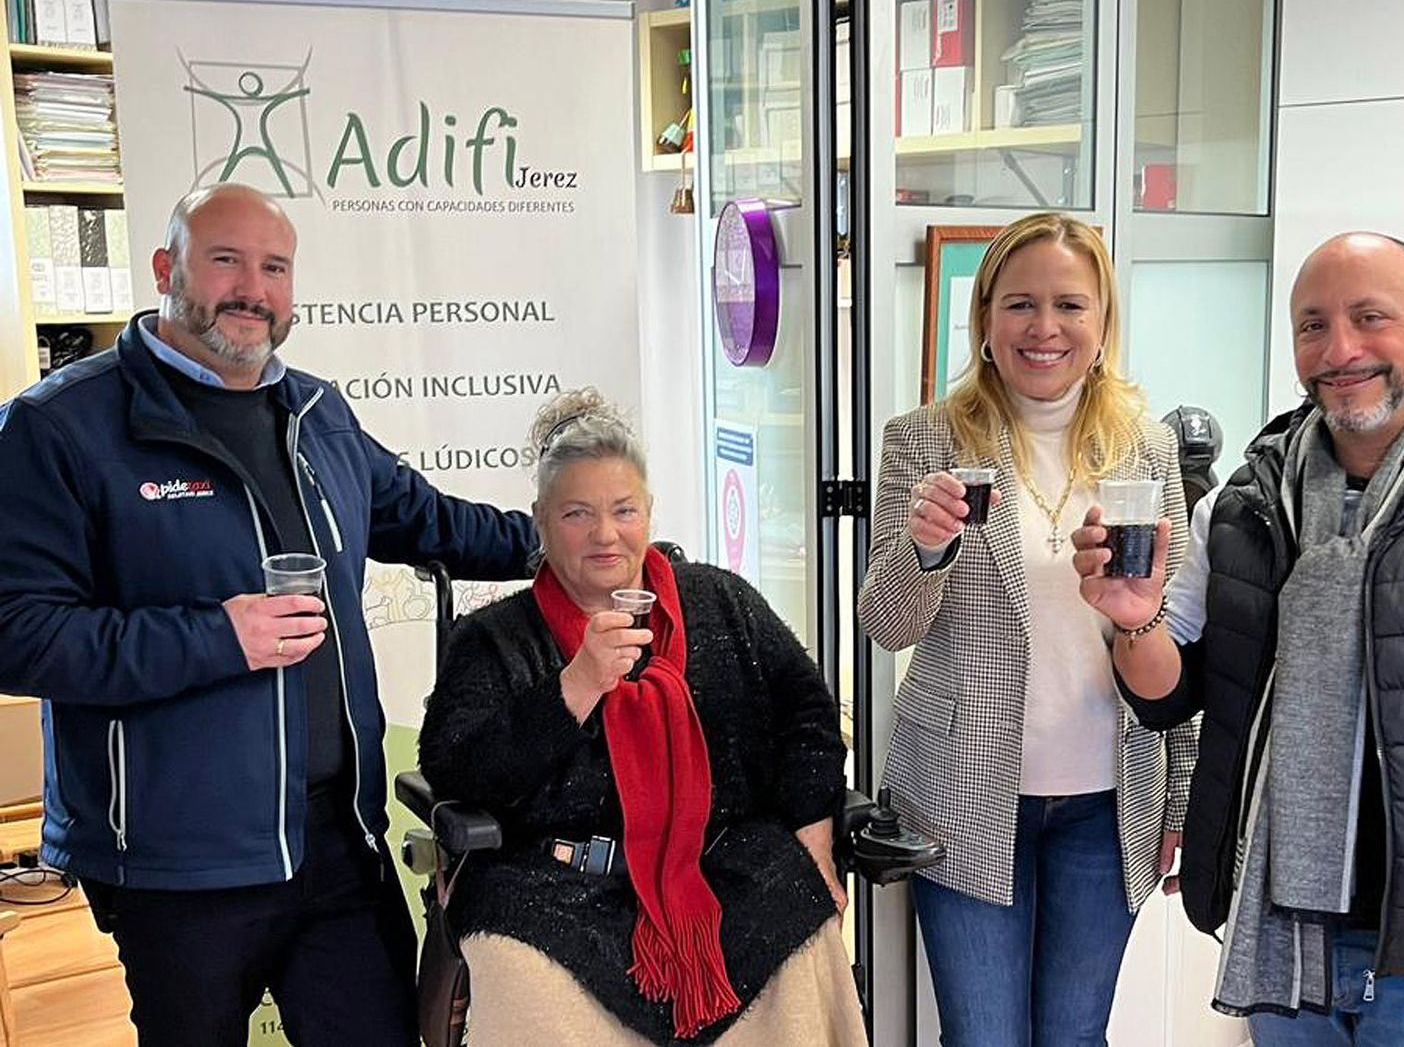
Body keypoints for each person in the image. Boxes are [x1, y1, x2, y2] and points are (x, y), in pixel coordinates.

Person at [0, 182, 538, 1046]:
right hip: (177, 869)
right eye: (226, 260)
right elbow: (18, 634)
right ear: (167, 268)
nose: (252, 288)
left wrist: (566, 543)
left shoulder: (317, 414)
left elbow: (430, 519)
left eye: (274, 267)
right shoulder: (59, 426)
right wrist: (218, 637)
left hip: (335, 841)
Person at [1073, 232, 1404, 1046]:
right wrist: (1132, 612)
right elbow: (1169, 695)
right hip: (1289, 952)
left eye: (1370, 317)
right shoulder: (1244, 505)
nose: (1340, 348)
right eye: (1313, 325)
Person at [416, 388, 864, 1047]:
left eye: (623, 510)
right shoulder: (495, 638)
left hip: (723, 868)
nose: (605, 533)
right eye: (578, 513)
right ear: (541, 521)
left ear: (648, 512)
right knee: (514, 957)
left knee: (800, 919)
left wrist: (815, 839)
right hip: (552, 883)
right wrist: (574, 688)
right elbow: (456, 767)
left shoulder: (721, 602)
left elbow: (807, 716)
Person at [857, 212, 1198, 1046]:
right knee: (983, 1038)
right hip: (965, 793)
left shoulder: (1146, 449)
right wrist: (925, 549)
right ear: (983, 320)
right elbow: (886, 623)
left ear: (1103, 322)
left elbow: (1178, 635)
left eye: (1071, 306)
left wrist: (1184, 793)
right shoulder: (925, 439)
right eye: (1020, 304)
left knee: (1076, 1037)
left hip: (1111, 799)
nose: (1045, 328)